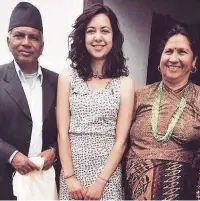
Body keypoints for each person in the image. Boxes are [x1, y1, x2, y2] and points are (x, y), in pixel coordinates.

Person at [57, 3, 135, 200]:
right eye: (91, 31)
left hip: (107, 177)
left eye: (105, 31)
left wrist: (101, 182)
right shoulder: (67, 77)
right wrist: (70, 177)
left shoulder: (125, 84)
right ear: (82, 37)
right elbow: (62, 132)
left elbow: (121, 141)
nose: (98, 37)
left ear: (113, 38)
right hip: (72, 176)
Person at [125, 23, 200, 200]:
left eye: (182, 52)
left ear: (194, 61)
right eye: (168, 51)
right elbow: (119, 141)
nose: (173, 58)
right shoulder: (138, 96)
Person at [0, 2, 59, 199]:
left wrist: (54, 150)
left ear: (42, 45)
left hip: (45, 183)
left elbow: (68, 127)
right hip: (4, 183)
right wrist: (11, 154)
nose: (26, 42)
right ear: (8, 40)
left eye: (33, 37)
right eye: (19, 35)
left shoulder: (58, 82)